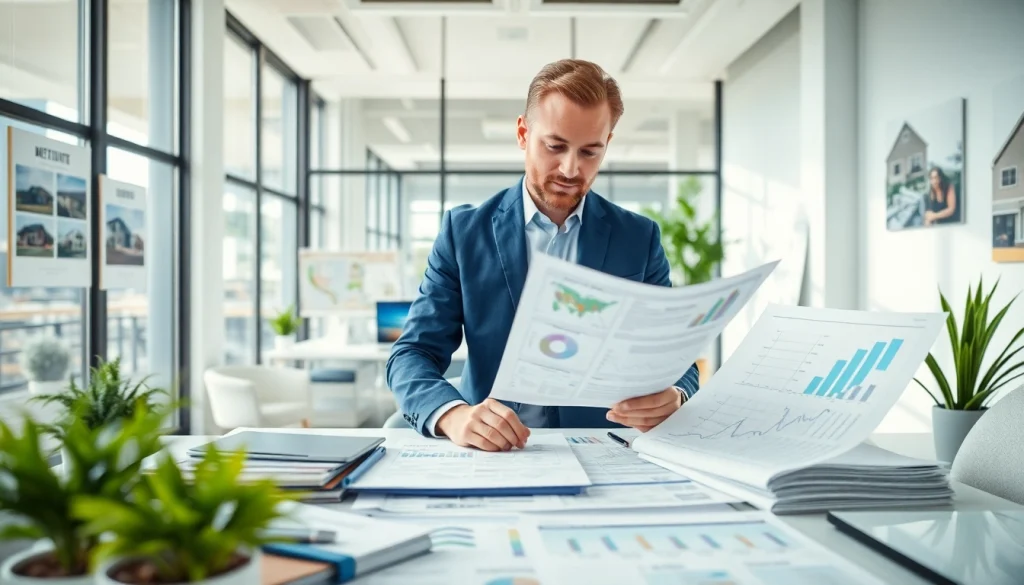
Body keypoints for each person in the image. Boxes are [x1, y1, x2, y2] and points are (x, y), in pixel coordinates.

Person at [386, 59, 701, 452]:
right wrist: (452, 414)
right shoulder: (464, 233)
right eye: (555, 146)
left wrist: (676, 393)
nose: (571, 168)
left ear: (607, 145)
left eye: (590, 152)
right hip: (494, 452)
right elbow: (412, 352)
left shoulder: (639, 238)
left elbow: (674, 357)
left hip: (603, 447)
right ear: (523, 133)